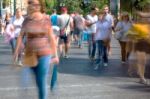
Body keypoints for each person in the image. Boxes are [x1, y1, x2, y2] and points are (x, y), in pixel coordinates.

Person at [14, 0, 59, 99]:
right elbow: (21, 36)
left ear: (39, 6)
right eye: (29, 3)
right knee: (38, 80)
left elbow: (51, 37)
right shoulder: (26, 20)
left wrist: (55, 55)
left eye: (33, 3)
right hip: (30, 54)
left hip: (44, 53)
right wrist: (16, 52)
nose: (31, 5)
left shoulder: (46, 19)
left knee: (41, 80)